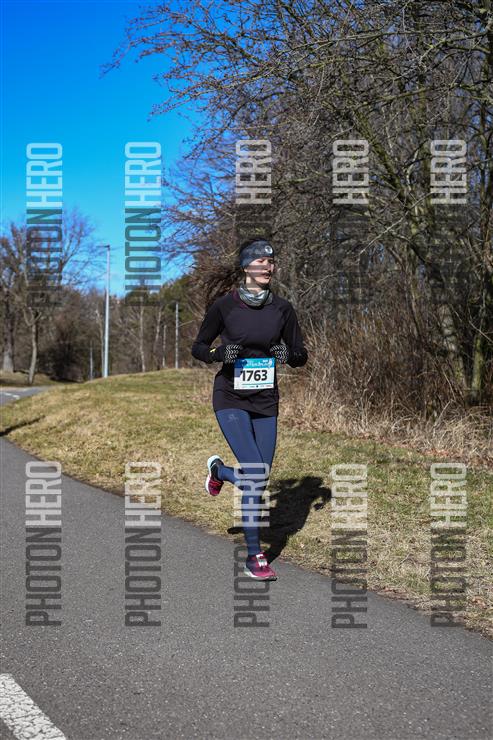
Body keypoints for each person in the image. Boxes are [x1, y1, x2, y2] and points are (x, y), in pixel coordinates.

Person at [191, 238, 308, 580]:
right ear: (246, 267)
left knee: (260, 477)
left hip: (266, 400)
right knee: (256, 475)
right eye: (261, 261)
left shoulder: (282, 309)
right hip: (231, 396)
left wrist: (289, 355)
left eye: (271, 261)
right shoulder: (225, 307)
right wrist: (217, 354)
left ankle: (220, 472)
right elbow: (199, 346)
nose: (268, 266)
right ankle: (255, 556)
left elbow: (300, 354)